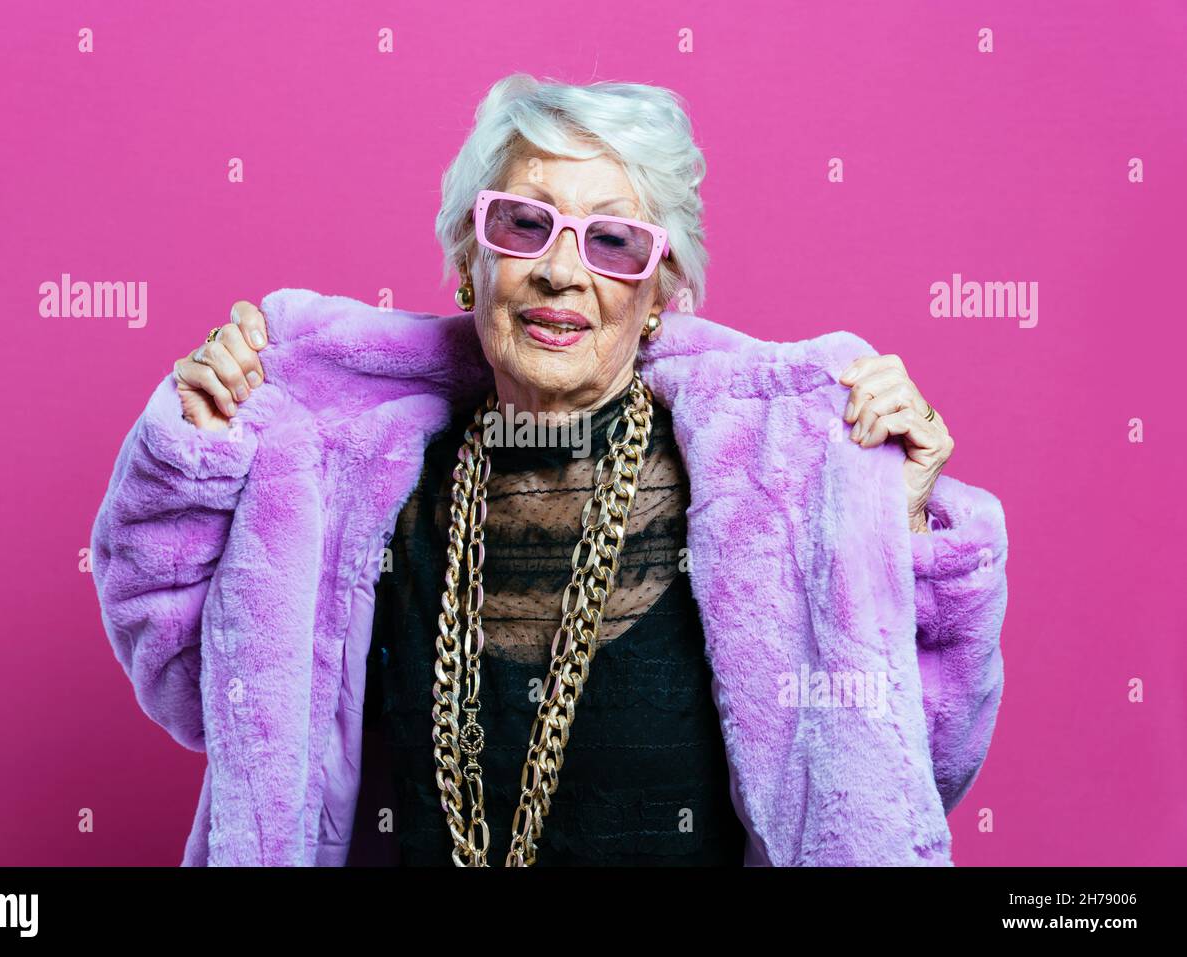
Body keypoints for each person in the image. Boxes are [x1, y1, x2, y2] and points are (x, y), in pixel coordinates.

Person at [90, 73, 1007, 867]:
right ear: (467, 261)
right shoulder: (349, 488)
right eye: (524, 225)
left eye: (613, 241)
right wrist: (195, 452)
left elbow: (902, 778)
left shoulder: (773, 496)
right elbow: (208, 695)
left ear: (660, 293)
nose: (562, 272)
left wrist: (904, 529)